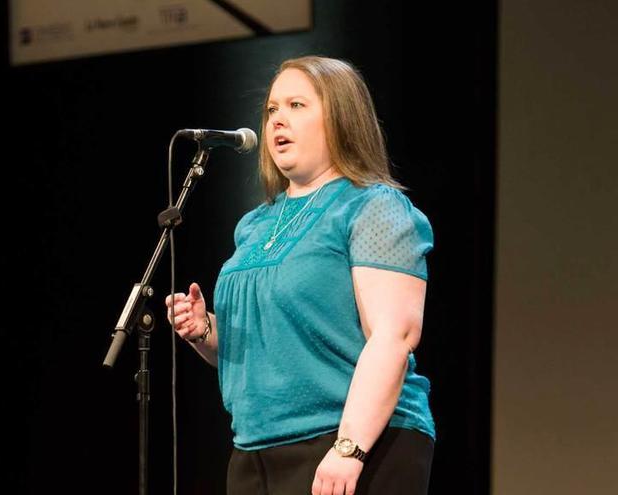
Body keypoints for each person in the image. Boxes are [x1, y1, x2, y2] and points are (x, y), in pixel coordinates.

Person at [165, 56, 435, 495]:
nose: (277, 121)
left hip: (352, 440)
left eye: (296, 105)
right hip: (255, 449)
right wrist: (206, 331)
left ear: (340, 119)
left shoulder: (372, 207)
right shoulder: (254, 225)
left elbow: (394, 336)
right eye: (272, 110)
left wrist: (350, 448)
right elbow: (267, 347)